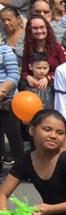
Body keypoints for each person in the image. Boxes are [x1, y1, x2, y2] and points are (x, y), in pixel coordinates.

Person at [0, 36, 20, 166]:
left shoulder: (5, 50)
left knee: (14, 134)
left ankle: (21, 167)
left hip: (7, 99)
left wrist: (2, 91)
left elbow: (14, 74)